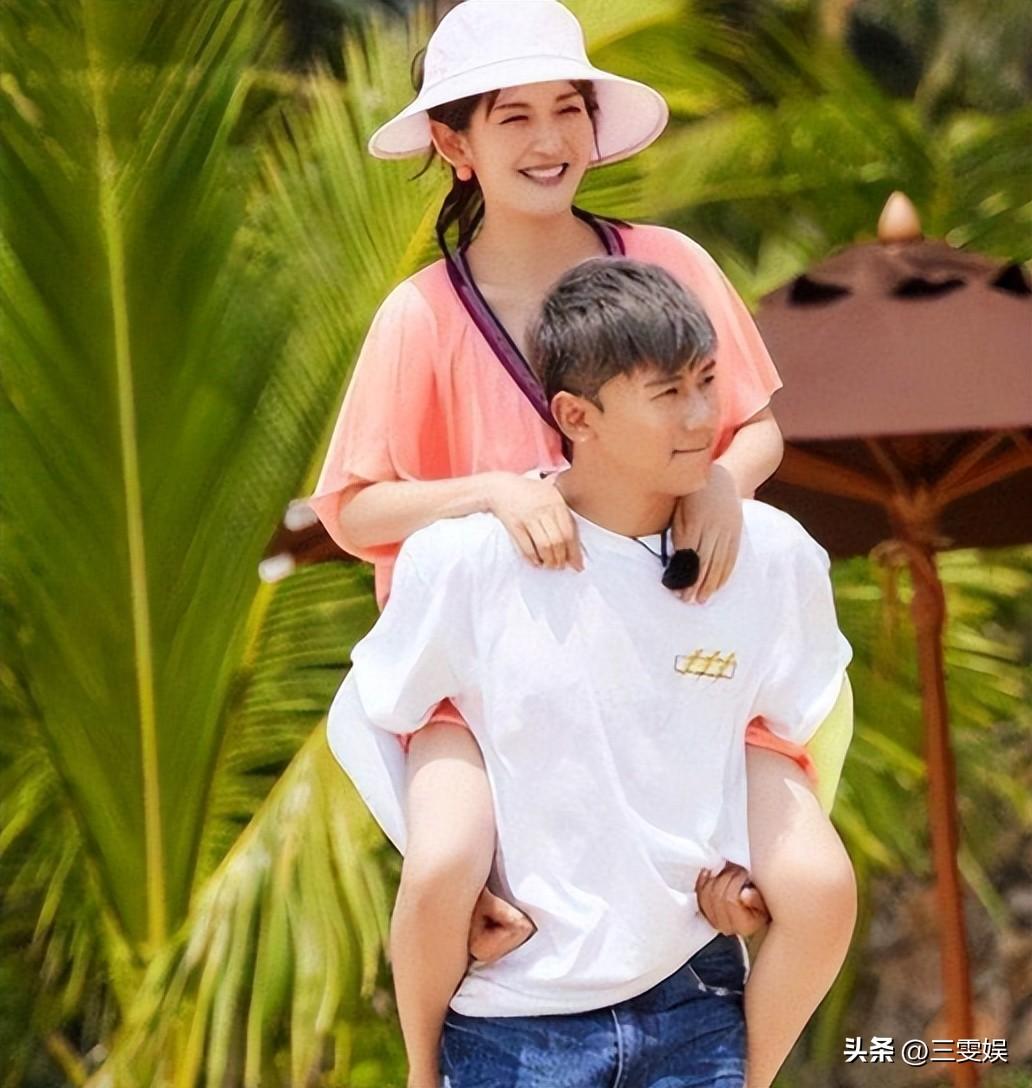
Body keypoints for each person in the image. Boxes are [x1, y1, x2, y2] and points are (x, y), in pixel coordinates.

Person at [307, 2, 856, 1084]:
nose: (550, 139)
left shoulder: (667, 261)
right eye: (513, 117)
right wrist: (492, 493)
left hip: (670, 650)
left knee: (814, 883)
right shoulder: (421, 316)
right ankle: (425, 1066)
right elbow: (353, 511)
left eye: (568, 109)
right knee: (448, 859)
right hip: (486, 675)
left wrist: (724, 486)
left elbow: (753, 425)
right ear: (454, 144)